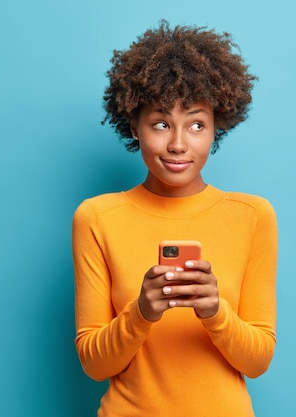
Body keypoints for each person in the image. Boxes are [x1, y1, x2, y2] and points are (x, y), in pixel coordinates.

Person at [72, 20, 278, 417]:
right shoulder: (96, 217)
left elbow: (258, 361)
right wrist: (141, 313)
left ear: (217, 126)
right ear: (134, 126)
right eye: (161, 124)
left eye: (197, 124)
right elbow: (95, 365)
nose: (179, 144)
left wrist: (215, 312)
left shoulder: (253, 216)